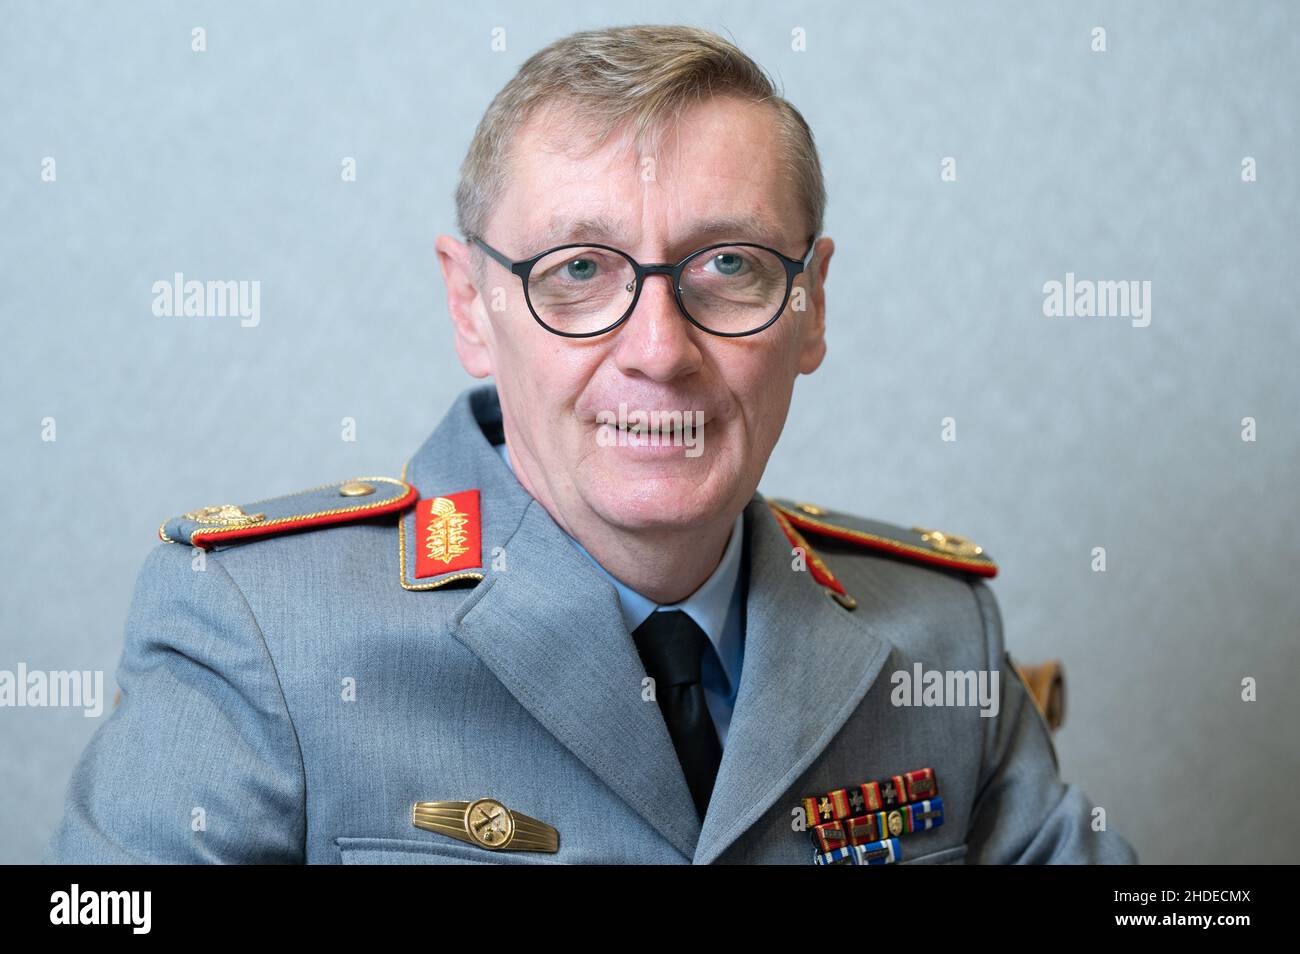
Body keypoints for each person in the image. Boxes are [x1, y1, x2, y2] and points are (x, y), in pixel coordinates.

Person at [43, 24, 1137, 865]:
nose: (658, 350)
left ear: (808, 309)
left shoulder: (936, 634)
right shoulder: (259, 634)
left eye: (729, 267)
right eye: (577, 271)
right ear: (472, 305)